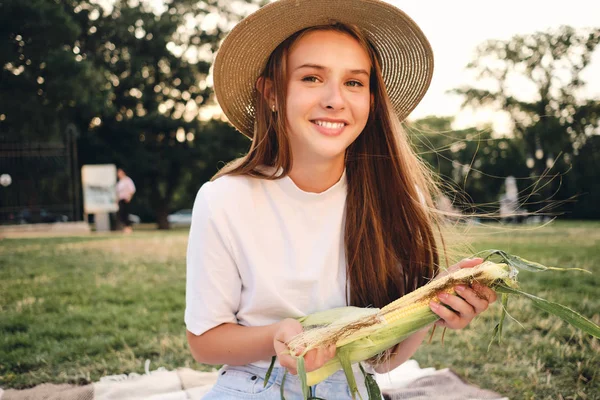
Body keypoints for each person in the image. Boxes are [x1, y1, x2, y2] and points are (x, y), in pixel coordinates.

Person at [185, 0, 497, 398]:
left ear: (371, 98)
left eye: (354, 82)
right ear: (271, 93)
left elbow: (381, 361)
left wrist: (429, 307)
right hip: (252, 385)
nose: (335, 99)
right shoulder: (224, 199)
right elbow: (204, 342)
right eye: (312, 78)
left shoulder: (397, 197)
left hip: (353, 388)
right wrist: (280, 337)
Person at [116, 168, 136, 234]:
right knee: (121, 214)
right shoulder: (120, 182)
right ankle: (125, 227)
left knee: (126, 214)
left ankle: (128, 227)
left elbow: (132, 189)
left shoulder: (127, 180)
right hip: (121, 200)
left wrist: (129, 197)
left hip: (126, 199)